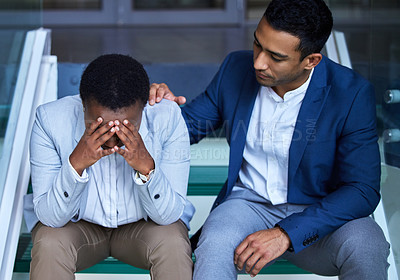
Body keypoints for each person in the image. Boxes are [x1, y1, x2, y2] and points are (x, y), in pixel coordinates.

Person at [149, 0, 390, 279]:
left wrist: (286, 233)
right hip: (247, 206)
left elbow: (362, 190)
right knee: (214, 242)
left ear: (311, 60)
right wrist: (159, 110)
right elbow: (186, 128)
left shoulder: (351, 94)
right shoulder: (235, 68)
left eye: (275, 57)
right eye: (257, 44)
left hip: (320, 213)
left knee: (367, 242)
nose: (258, 62)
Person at [23, 54, 195, 280]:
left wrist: (147, 168)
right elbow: (50, 217)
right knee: (49, 243)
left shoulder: (168, 117)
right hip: (78, 226)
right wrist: (76, 165)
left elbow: (168, 215)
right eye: (99, 126)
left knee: (173, 242)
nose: (112, 140)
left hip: (143, 226)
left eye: (127, 127)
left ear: (144, 108)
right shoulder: (50, 119)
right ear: (82, 105)